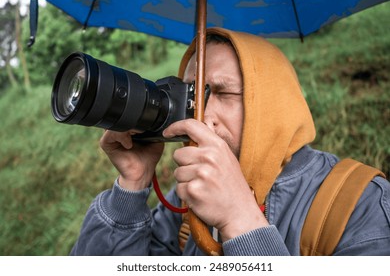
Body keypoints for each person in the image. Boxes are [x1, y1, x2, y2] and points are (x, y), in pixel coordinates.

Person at [70, 27, 390, 256]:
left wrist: (240, 220)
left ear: (272, 104)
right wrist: (131, 187)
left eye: (221, 92)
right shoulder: (186, 202)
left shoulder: (361, 204)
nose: (200, 116)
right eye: (192, 96)